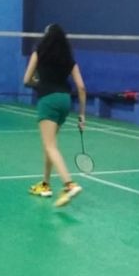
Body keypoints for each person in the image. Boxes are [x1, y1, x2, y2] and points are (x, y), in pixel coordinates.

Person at [24, 24, 86, 208]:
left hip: (48, 100)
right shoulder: (69, 59)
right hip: (65, 101)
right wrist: (82, 115)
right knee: (50, 144)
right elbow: (81, 87)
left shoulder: (39, 53)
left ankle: (69, 184)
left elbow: (26, 80)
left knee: (50, 146)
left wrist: (39, 82)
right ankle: (45, 184)